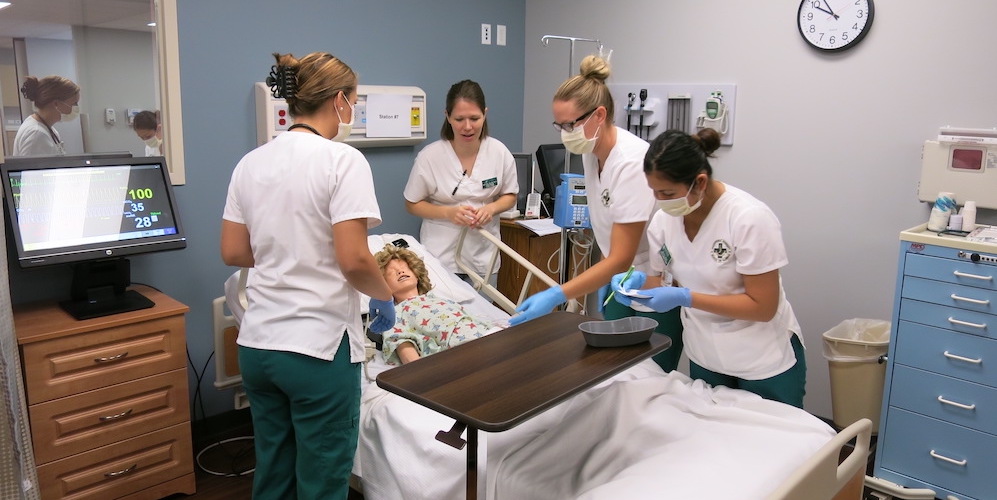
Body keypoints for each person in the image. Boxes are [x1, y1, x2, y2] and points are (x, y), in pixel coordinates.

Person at [220, 51, 395, 500]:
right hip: (316, 349)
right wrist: (384, 295)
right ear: (339, 100)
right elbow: (355, 261)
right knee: (320, 480)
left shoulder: (250, 163)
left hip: (259, 347)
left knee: (274, 472)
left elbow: (233, 251)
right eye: (354, 101)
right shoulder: (343, 160)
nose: (352, 111)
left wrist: (289, 255)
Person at [508, 55, 683, 373]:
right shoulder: (590, 153)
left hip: (653, 285)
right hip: (622, 281)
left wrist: (556, 293)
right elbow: (608, 228)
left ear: (599, 115)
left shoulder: (631, 163)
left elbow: (621, 256)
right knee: (615, 377)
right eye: (558, 125)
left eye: (570, 124)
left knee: (649, 382)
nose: (564, 133)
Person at [612, 128, 806, 408]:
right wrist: (637, 283)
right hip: (706, 358)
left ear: (700, 182)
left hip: (762, 362)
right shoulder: (664, 222)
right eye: (654, 192)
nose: (660, 201)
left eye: (667, 192)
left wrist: (687, 298)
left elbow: (763, 307)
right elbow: (667, 283)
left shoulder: (749, 218)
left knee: (775, 446)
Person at [404, 79, 518, 282]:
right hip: (441, 254)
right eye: (459, 119)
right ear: (447, 116)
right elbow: (412, 204)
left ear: (485, 113)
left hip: (483, 254)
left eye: (474, 118)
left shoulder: (499, 152)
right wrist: (448, 212)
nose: (467, 127)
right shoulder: (430, 157)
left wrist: (490, 210)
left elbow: (510, 195)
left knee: (486, 311)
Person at [374, 244, 500, 365]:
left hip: (490, 335)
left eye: (405, 268)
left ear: (416, 274)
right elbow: (405, 351)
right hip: (464, 350)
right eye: (391, 272)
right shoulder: (394, 314)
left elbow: (472, 321)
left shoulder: (442, 301)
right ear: (383, 285)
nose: (400, 272)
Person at [13, 75, 80, 156]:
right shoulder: (36, 134)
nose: (76, 108)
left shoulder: (48, 129)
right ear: (56, 104)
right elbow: (32, 168)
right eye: (74, 103)